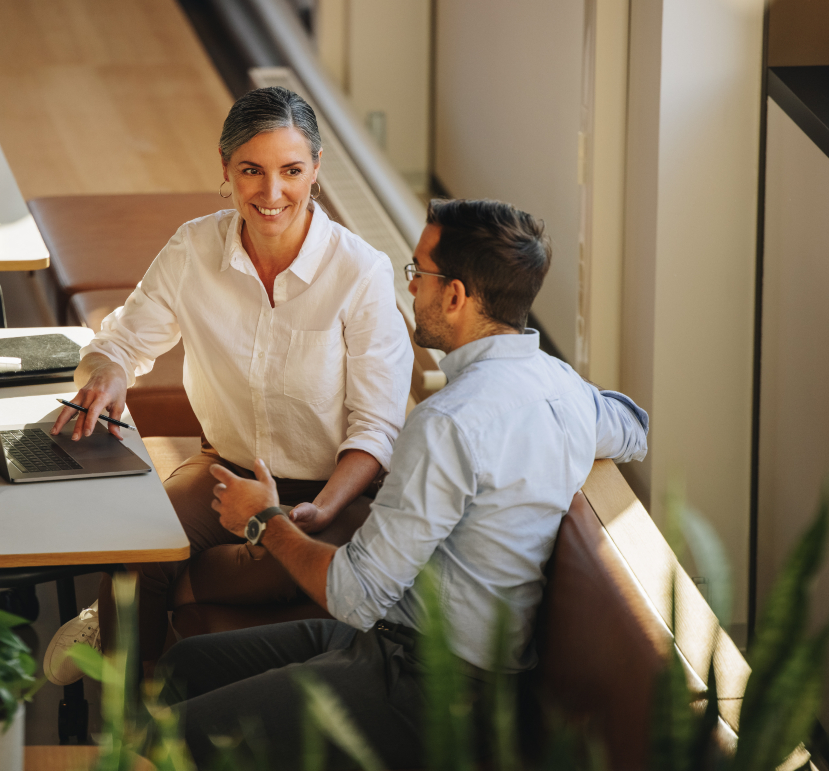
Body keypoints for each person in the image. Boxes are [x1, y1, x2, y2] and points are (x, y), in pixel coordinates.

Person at [153, 198, 651, 768]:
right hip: (406, 645)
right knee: (184, 666)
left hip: (430, 689)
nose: (409, 288)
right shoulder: (560, 385)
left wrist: (263, 519)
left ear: (456, 296)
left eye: (418, 273)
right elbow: (633, 428)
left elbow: (353, 594)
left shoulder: (447, 424)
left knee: (178, 734)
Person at [42, 86, 414, 684]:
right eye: (252, 171)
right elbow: (122, 342)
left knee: (297, 561)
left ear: (316, 170)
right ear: (226, 170)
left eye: (292, 171)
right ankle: (127, 726)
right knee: (136, 542)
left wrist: (315, 511)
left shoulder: (360, 272)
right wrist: (109, 373)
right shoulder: (193, 248)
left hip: (336, 491)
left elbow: (376, 429)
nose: (272, 193)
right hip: (226, 471)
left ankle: (157, 594)